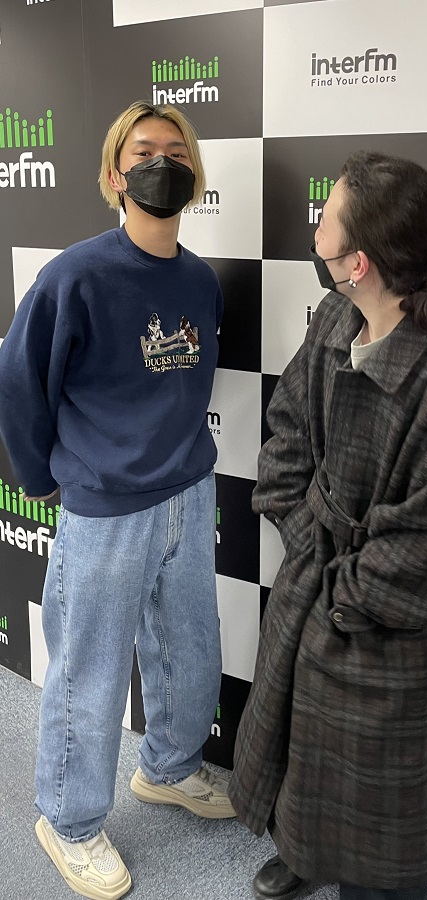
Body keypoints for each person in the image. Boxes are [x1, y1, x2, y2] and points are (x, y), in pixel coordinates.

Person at [228, 151, 427, 900]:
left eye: (325, 219)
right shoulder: (336, 315)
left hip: (383, 641)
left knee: (381, 849)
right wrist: (305, 541)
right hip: (314, 592)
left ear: (357, 263)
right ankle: (303, 848)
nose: (313, 230)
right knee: (302, 761)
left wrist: (339, 595)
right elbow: (288, 433)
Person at [0, 100, 235, 900]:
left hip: (187, 493)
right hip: (105, 509)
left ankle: (168, 768)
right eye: (142, 151)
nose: (161, 162)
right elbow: (19, 383)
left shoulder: (199, 280)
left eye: (176, 150)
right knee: (89, 674)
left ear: (194, 175)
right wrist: (43, 478)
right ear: (113, 174)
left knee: (189, 650)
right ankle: (67, 822)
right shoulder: (74, 275)